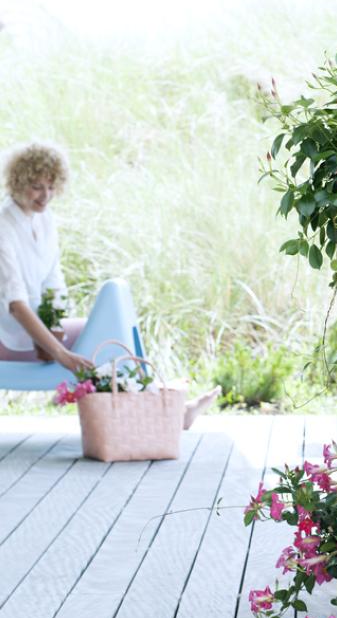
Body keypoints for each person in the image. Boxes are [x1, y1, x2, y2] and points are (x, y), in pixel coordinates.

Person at [0, 143, 218, 428]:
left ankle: (168, 409)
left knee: (115, 334)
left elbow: (54, 280)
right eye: (37, 187)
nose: (46, 196)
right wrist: (59, 352)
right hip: (9, 334)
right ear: (18, 183)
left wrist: (55, 327)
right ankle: (168, 413)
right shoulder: (4, 225)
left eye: (51, 187)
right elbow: (15, 305)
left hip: (37, 331)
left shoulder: (44, 219)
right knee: (107, 341)